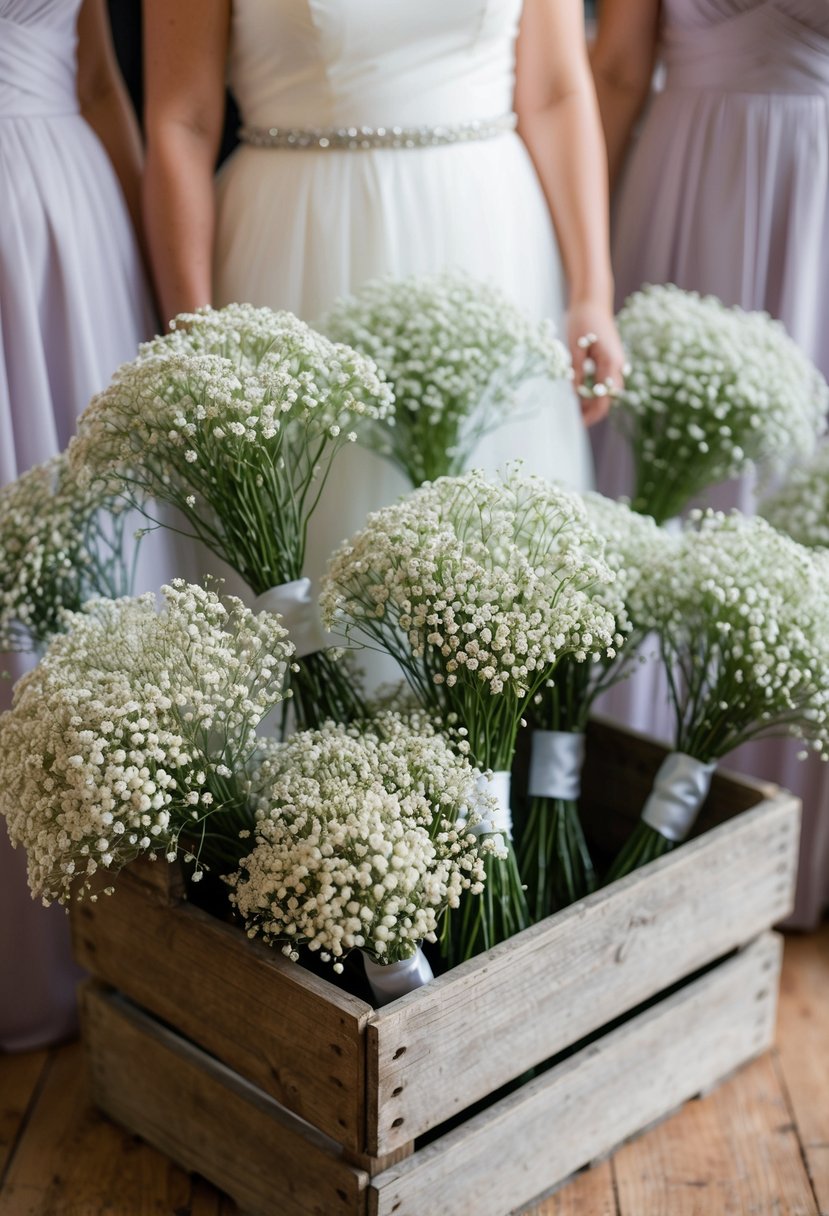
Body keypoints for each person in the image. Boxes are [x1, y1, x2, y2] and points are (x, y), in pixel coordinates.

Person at [142, 0, 626, 596]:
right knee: (317, 536)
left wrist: (592, 293)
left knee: (501, 563)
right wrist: (197, 337)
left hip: (494, 244)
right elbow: (181, 120)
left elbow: (555, 92)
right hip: (299, 249)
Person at [590, 0, 829, 926]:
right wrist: (579, 273)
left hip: (816, 204)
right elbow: (614, 71)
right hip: (680, 199)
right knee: (661, 496)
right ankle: (633, 832)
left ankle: (782, 847)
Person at [0, 0, 156, 1049]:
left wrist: (161, 277)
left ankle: (125, 939)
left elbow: (101, 78)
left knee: (98, 566)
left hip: (65, 220)